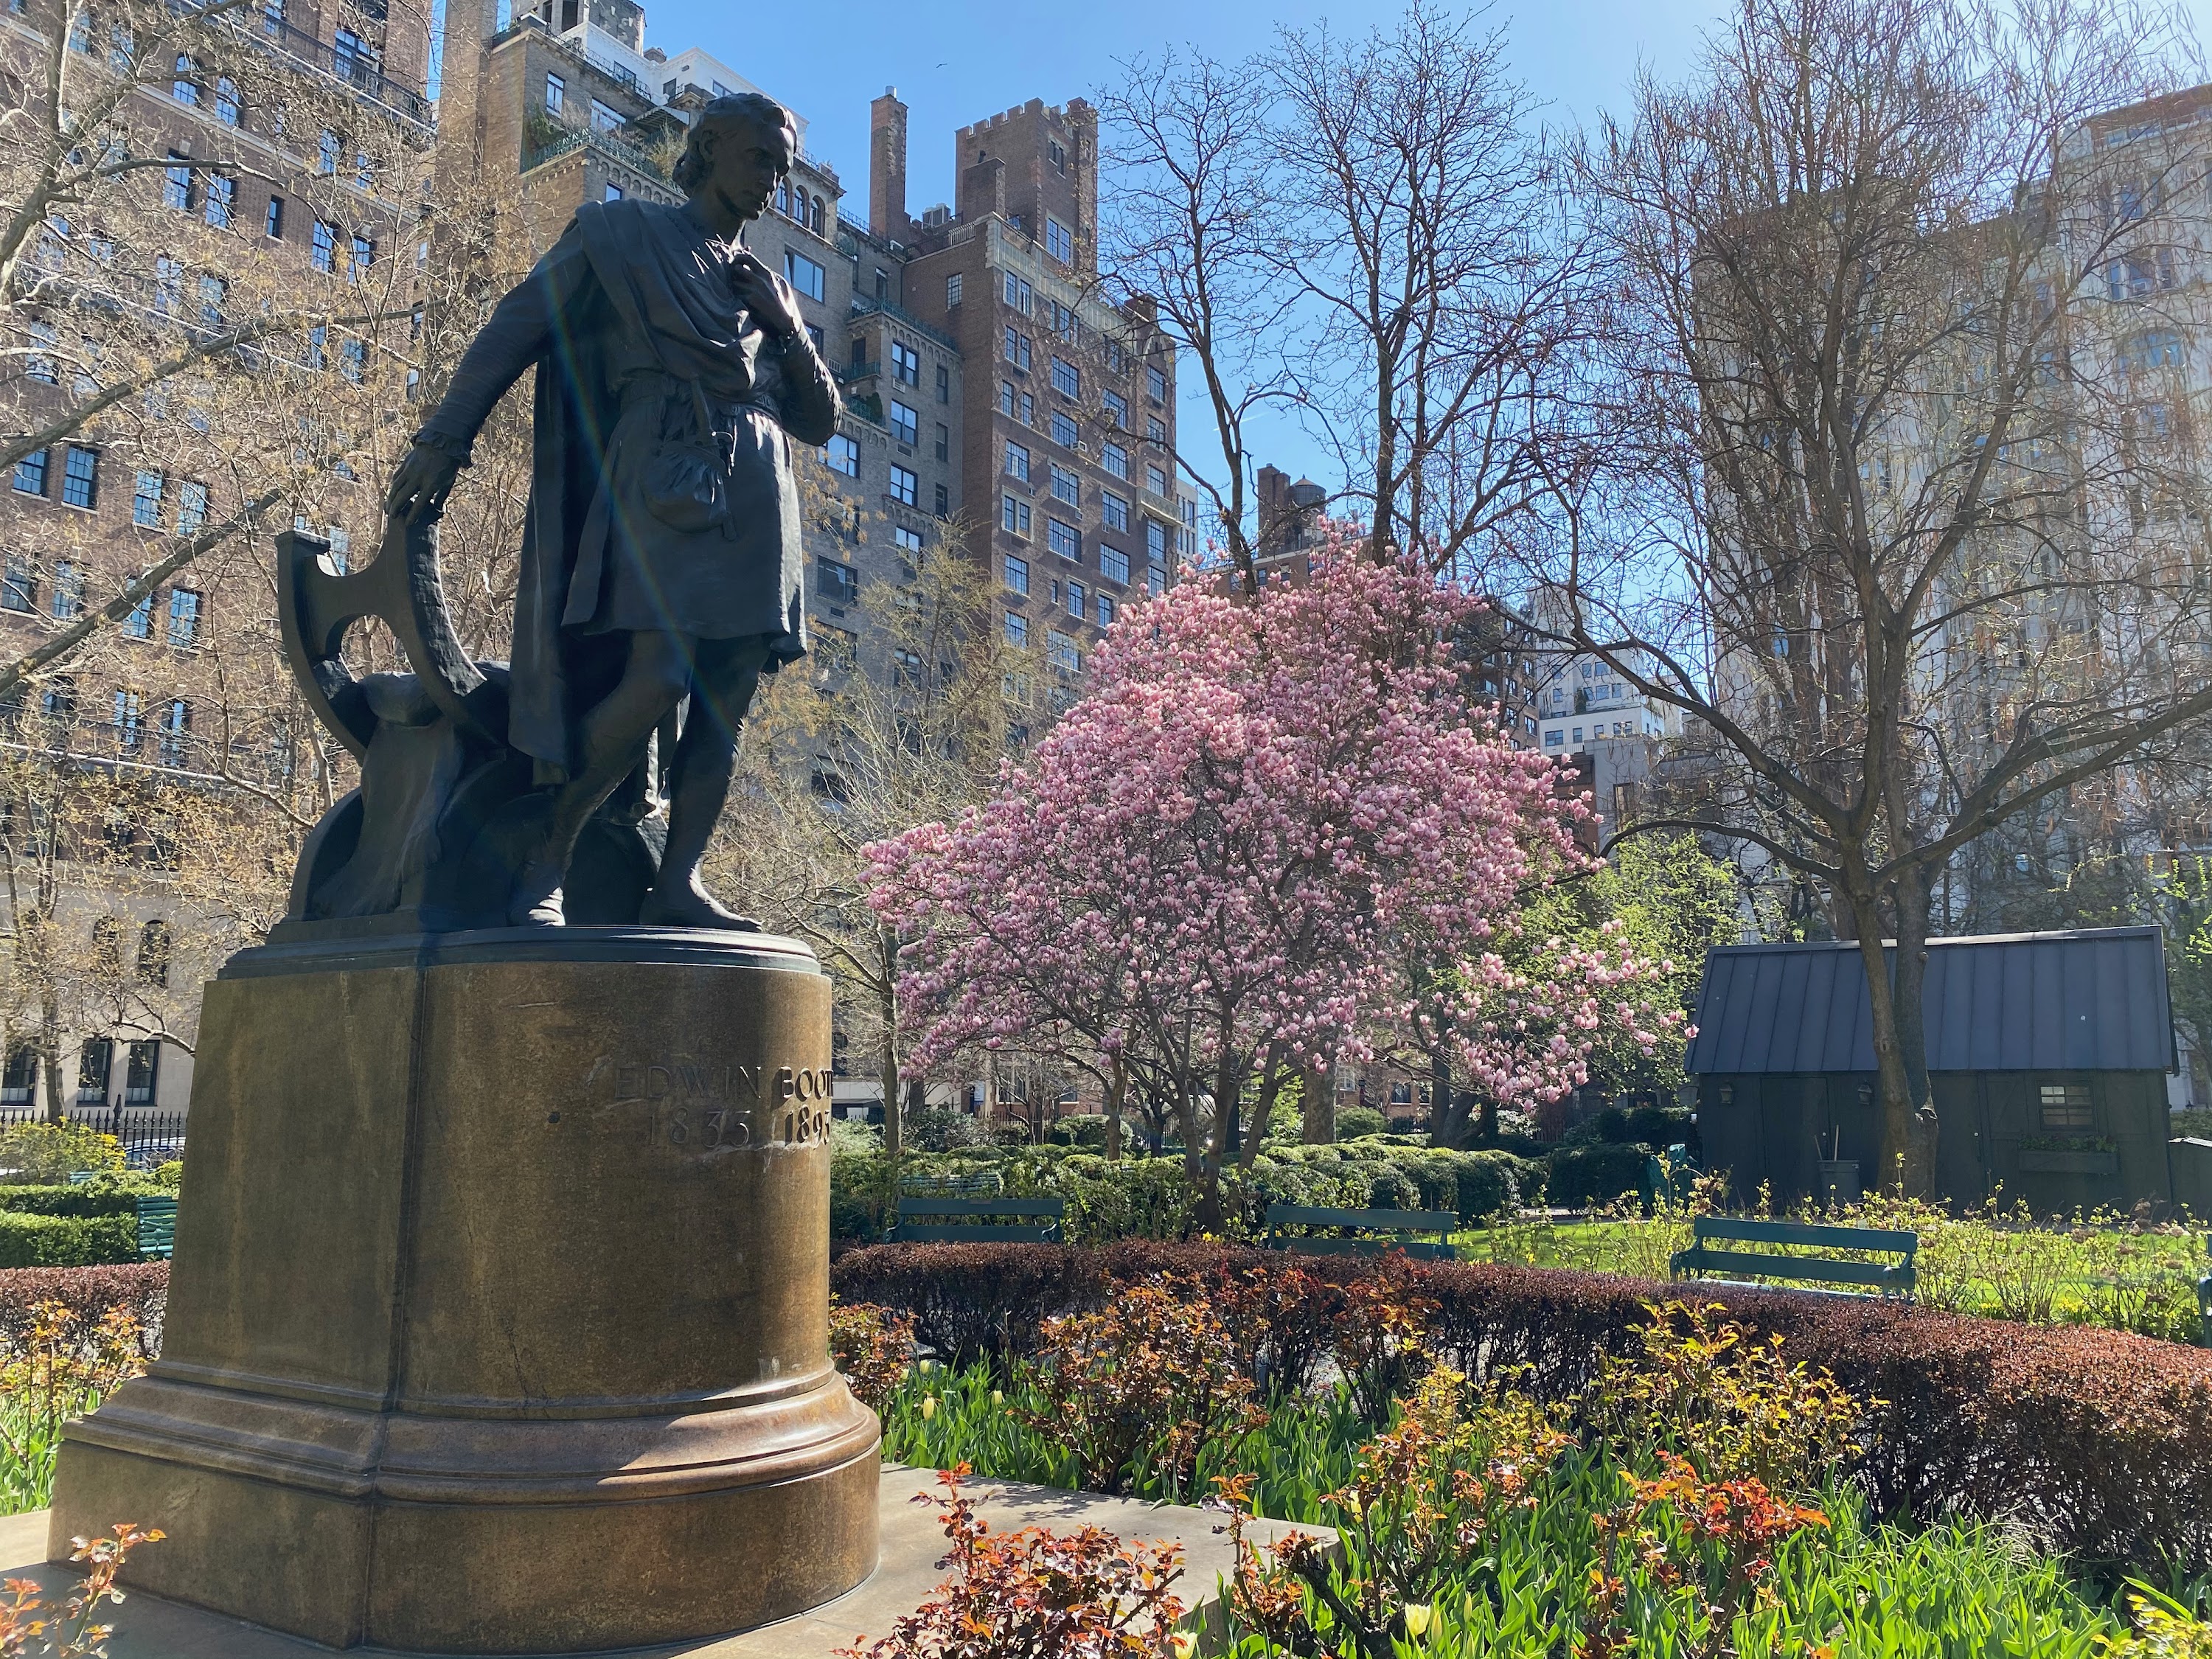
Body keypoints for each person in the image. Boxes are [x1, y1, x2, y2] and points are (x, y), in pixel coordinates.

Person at [384, 92, 838, 927]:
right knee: (658, 677)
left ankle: (680, 884)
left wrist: (789, 330)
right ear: (707, 148)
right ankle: (550, 845)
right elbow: (514, 328)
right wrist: (446, 438)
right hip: (660, 473)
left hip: (759, 495)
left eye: (782, 168)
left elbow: (820, 422)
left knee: (727, 696)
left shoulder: (770, 290)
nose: (772, 180)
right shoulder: (622, 235)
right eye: (758, 160)